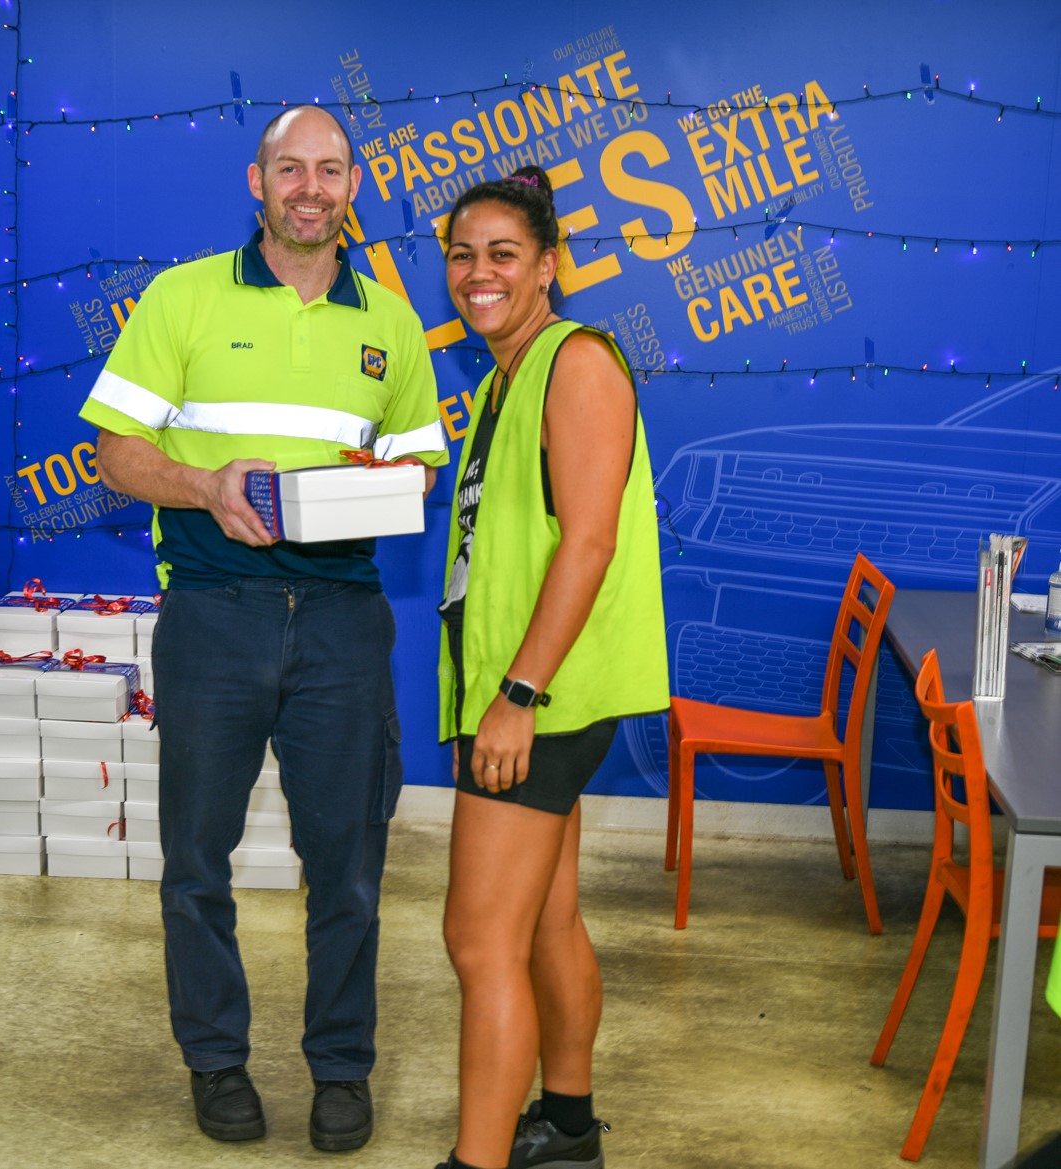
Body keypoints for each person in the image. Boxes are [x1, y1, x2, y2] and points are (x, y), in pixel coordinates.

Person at [79, 104, 448, 1153]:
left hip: (341, 621)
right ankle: (216, 1060)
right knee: (197, 861)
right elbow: (115, 452)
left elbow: (418, 468)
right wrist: (204, 482)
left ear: (351, 185)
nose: (309, 188)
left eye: (329, 170)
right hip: (214, 615)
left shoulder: (387, 322)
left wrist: (377, 485)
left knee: (350, 868)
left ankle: (341, 1068)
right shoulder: (181, 296)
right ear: (257, 181)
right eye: (290, 168)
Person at [432, 166, 670, 1169]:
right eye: (461, 254)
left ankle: (473, 1162)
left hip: (544, 694)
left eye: (501, 254)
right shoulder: (501, 375)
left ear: (548, 266)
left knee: (476, 938)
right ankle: (566, 1126)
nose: (477, 273)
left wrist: (517, 696)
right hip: (525, 689)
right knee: (542, 916)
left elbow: (588, 544)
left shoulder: (575, 363)